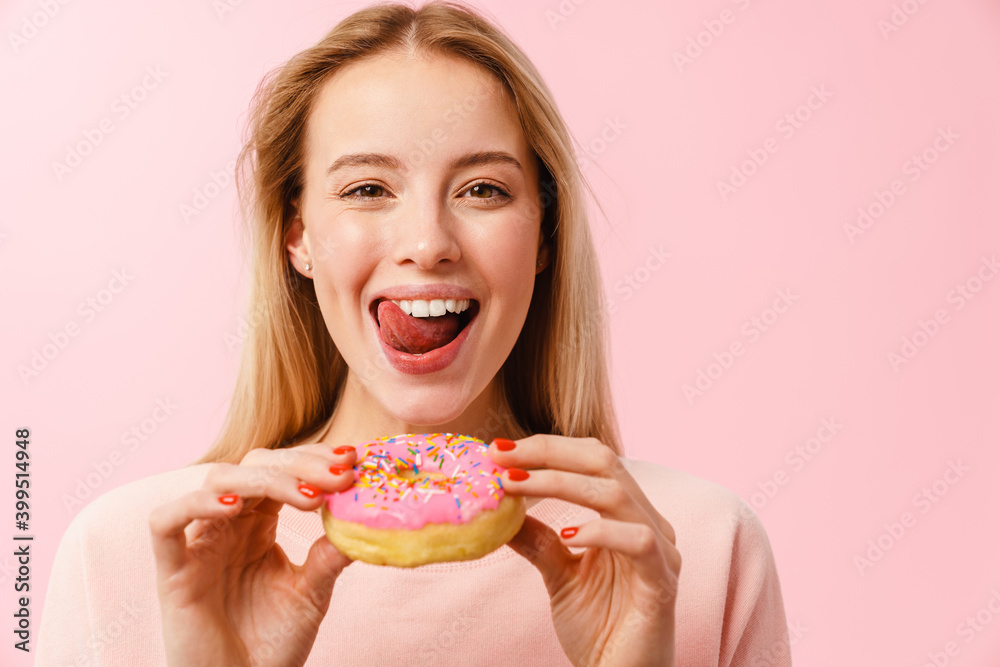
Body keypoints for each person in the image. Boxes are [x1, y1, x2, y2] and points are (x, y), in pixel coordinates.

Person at [36, 2, 792, 665]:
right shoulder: (131, 558)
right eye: (368, 188)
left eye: (483, 189)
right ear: (297, 233)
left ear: (545, 238)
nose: (427, 241)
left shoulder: (696, 550)